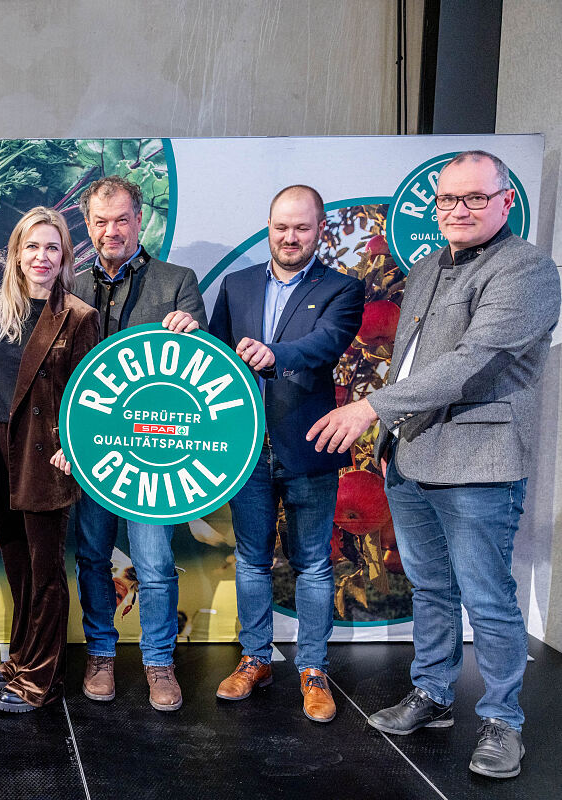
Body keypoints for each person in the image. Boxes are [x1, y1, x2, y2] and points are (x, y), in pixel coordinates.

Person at [309, 151, 560, 777]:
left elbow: (475, 360)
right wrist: (390, 427)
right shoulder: (425, 268)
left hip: (479, 460)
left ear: (506, 201)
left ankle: (503, 721)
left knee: (488, 595)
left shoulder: (527, 270)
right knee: (431, 587)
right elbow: (413, 360)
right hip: (413, 455)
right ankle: (434, 694)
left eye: (474, 198)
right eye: (448, 200)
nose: (458, 210)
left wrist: (373, 408)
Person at [208, 184, 364, 723]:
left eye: (301, 227)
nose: (290, 237)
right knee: (252, 561)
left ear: (319, 230)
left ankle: (314, 671)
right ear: (268, 227)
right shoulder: (236, 285)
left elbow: (326, 344)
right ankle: (255, 660)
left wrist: (275, 354)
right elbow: (213, 359)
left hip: (311, 445)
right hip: (244, 449)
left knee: (314, 566)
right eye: (281, 227)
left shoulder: (343, 289)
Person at [69, 176, 205, 711]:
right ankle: (101, 653)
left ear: (139, 219)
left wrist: (191, 330)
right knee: (92, 556)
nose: (112, 231)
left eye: (122, 219)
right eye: (100, 222)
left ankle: (158, 662)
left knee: (153, 563)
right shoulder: (72, 285)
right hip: (93, 449)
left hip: (153, 452)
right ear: (88, 225)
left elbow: (203, 367)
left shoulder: (177, 281)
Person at [0, 207, 99, 713]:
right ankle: (22, 656)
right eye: (32, 247)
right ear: (16, 255)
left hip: (46, 455)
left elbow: (95, 396)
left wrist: (78, 445)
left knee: (45, 573)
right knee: (17, 565)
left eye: (52, 248)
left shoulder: (79, 316)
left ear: (65, 255)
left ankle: (41, 677)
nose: (41, 257)